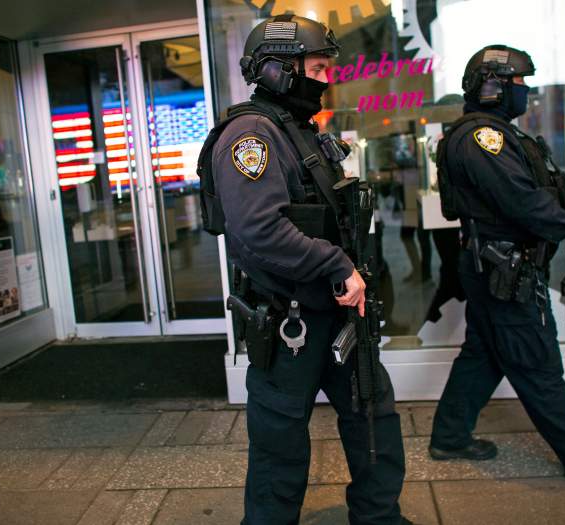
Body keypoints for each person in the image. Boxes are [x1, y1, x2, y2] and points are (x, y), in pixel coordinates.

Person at [198, 15, 408, 524]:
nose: (325, 78)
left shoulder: (299, 132)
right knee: (279, 449)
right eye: (316, 67)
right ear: (278, 71)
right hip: (289, 320)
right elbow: (260, 232)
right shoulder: (252, 136)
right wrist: (338, 264)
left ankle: (379, 519)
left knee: (373, 420)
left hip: (337, 313)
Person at [430, 44, 565, 485]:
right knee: (537, 362)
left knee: (485, 353)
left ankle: (449, 437)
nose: (525, 92)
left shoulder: (495, 133)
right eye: (519, 83)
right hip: (502, 268)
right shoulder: (481, 138)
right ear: (492, 87)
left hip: (493, 266)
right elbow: (521, 201)